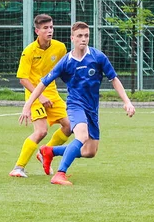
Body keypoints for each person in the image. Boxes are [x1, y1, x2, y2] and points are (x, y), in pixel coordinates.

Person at [19, 21, 136, 186]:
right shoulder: (66, 62)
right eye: (80, 36)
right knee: (81, 135)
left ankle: (49, 151)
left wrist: (127, 102)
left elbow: (114, 79)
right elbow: (42, 84)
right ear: (72, 38)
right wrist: (27, 105)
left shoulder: (98, 57)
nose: (83, 39)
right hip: (75, 105)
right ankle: (60, 174)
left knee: (90, 151)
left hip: (92, 108)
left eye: (86, 35)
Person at [10, 14, 72, 178]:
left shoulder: (60, 48)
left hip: (52, 93)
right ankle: (18, 167)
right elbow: (23, 79)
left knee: (69, 126)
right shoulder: (29, 51)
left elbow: (65, 70)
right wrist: (39, 97)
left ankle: (46, 152)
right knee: (41, 131)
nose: (49, 31)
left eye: (51, 27)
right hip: (34, 94)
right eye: (45, 28)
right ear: (37, 31)